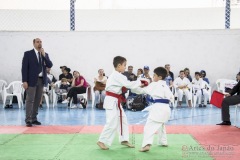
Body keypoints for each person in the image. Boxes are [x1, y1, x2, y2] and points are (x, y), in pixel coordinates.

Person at [97, 56, 143, 150]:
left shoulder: (117, 75)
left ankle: (124, 139)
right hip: (111, 101)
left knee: (123, 120)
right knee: (112, 122)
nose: (125, 67)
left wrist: (143, 88)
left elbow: (131, 86)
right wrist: (141, 82)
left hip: (115, 101)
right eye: (124, 65)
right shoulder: (117, 76)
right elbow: (129, 84)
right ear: (118, 66)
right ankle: (101, 141)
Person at [131, 67, 174, 152]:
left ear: (160, 77)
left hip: (159, 108)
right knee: (161, 124)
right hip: (167, 109)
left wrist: (135, 87)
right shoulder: (166, 85)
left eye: (154, 75)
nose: (153, 77)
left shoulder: (154, 84)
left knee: (149, 127)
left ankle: (146, 145)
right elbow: (171, 98)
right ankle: (163, 141)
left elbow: (141, 91)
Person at [22, 38, 53, 127]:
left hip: (41, 80)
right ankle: (28, 119)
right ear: (34, 43)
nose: (39, 43)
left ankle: (34, 119)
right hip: (31, 80)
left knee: (37, 100)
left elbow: (50, 65)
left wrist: (44, 56)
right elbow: (24, 68)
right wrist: (24, 81)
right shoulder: (28, 54)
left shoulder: (45, 54)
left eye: (40, 42)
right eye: (37, 42)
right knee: (30, 100)